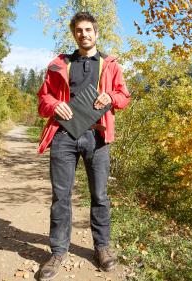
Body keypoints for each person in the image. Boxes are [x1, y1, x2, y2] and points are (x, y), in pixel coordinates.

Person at [36, 11, 130, 280]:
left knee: (99, 195)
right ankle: (57, 252)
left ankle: (102, 248)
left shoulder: (110, 65)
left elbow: (124, 96)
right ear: (74, 34)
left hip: (97, 136)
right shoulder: (59, 64)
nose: (84, 34)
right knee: (60, 196)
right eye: (79, 30)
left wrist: (110, 96)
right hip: (63, 136)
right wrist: (56, 105)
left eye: (88, 30)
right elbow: (43, 100)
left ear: (96, 33)